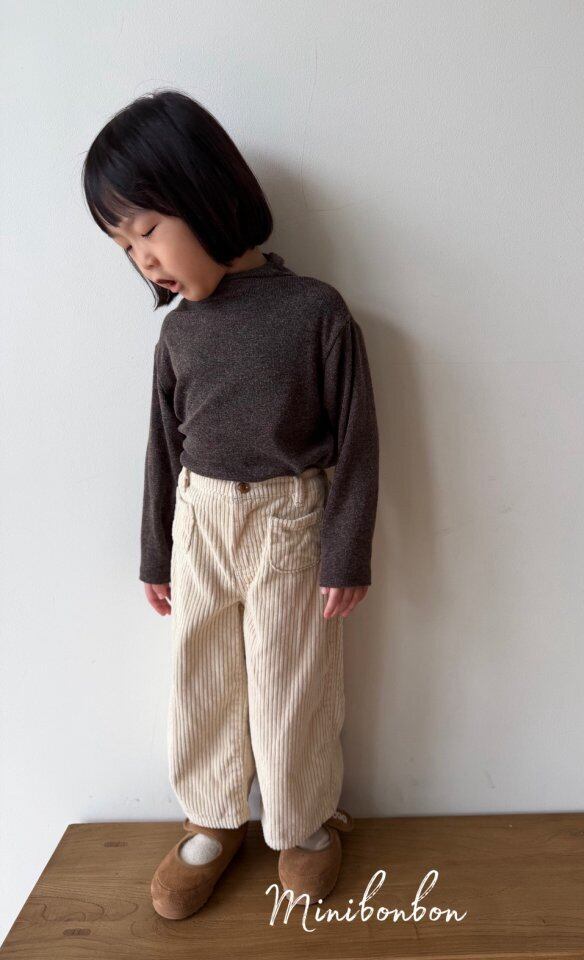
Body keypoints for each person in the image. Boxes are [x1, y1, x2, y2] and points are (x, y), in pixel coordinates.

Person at [82, 88, 379, 919]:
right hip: (201, 523)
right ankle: (213, 819)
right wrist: (155, 552)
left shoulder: (315, 312)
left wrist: (347, 552)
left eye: (147, 229)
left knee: (293, 679)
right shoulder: (178, 333)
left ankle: (303, 823)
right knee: (202, 674)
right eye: (125, 246)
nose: (143, 258)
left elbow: (357, 442)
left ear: (206, 193)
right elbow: (162, 448)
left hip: (290, 522)